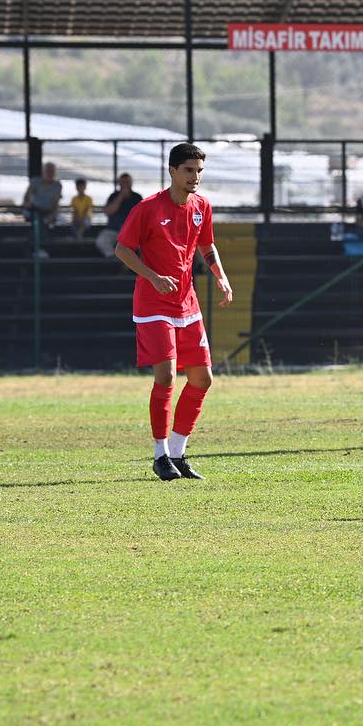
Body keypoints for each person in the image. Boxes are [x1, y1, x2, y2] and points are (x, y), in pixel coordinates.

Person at [113, 143, 233, 481]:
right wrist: (152, 276)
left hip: (187, 303)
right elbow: (122, 249)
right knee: (165, 375)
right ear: (172, 171)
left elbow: (206, 245)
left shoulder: (201, 206)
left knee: (202, 378)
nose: (195, 177)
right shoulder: (148, 207)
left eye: (199, 171)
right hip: (153, 305)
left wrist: (221, 279)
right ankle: (160, 454)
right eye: (189, 170)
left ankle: (179, 453)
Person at [96, 173, 143, 258]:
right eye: (123, 182)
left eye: (127, 182)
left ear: (131, 183)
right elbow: (108, 212)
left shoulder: (137, 197)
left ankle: (138, 263)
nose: (125, 184)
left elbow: (143, 216)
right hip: (113, 230)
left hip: (132, 231)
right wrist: (120, 197)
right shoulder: (113, 196)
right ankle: (115, 260)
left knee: (145, 244)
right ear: (119, 183)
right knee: (101, 241)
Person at [21, 161, 63, 255]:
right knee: (38, 221)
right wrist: (27, 203)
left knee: (43, 222)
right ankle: (37, 248)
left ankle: (36, 248)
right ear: (43, 172)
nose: (50, 174)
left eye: (52, 171)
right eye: (48, 171)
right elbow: (27, 197)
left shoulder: (57, 186)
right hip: (33, 210)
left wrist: (53, 214)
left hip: (47, 211)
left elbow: (55, 203)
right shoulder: (35, 181)